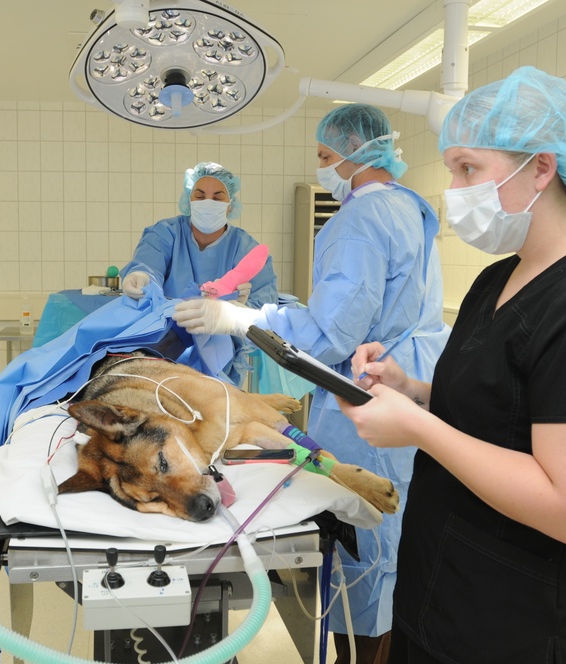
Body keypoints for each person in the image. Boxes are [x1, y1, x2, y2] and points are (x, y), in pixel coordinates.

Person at [336, 66, 566, 664]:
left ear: (542, 167)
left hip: (516, 626)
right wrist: (410, 390)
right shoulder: (497, 280)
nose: (456, 190)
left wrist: (419, 430)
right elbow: (493, 408)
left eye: (469, 169)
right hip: (439, 594)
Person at [173, 104, 450, 664]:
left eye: (326, 156)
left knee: (363, 532)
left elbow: (332, 334)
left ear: (357, 154)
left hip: (369, 387)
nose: (323, 167)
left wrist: (243, 321)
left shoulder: (360, 221)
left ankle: (362, 647)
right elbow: (366, 305)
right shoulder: (409, 209)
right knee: (399, 531)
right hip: (412, 379)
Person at [120, 161, 278, 309]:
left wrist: (240, 310)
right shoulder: (165, 233)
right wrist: (142, 277)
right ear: (189, 201)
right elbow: (149, 265)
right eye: (200, 197)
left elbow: (264, 307)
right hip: (167, 329)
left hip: (224, 335)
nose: (208, 203)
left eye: (217, 198)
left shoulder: (245, 248)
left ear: (231, 206)